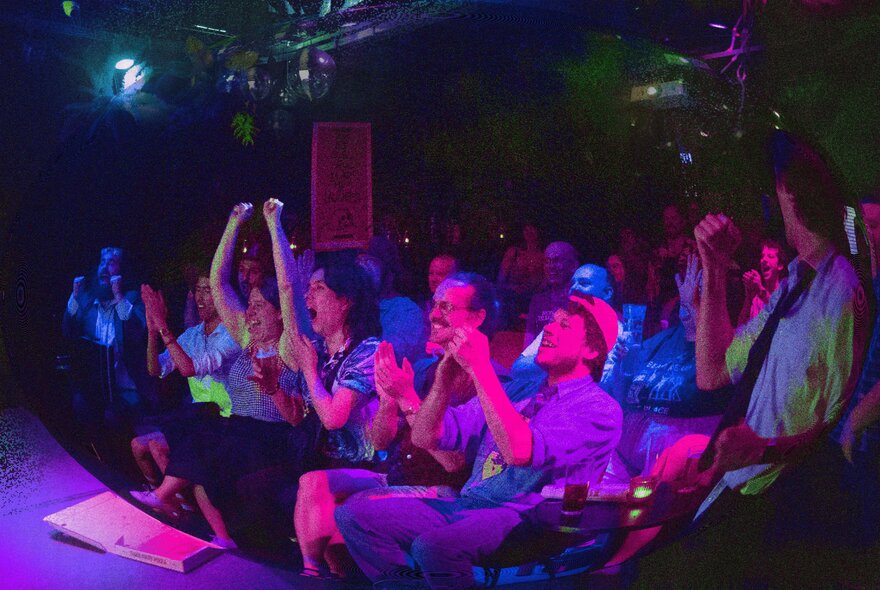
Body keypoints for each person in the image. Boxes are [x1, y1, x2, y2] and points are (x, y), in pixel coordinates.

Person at [638, 130, 866, 586]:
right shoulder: (792, 285)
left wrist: (762, 448)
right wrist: (715, 269)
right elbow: (713, 371)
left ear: (789, 192)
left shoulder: (841, 290)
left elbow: (839, 428)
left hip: (783, 505)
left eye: (771, 188)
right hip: (742, 487)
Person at [335, 295, 622, 590]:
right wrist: (444, 377)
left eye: (564, 325)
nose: (548, 328)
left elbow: (519, 451)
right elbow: (425, 436)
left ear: (591, 350)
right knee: (355, 516)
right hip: (471, 504)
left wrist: (481, 368)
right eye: (550, 320)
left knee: (434, 547)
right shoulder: (520, 388)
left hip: (528, 518)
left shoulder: (599, 409)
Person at [131, 203, 318, 550]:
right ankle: (222, 538)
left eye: (259, 307)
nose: (250, 314)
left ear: (279, 316)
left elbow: (290, 288)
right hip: (239, 428)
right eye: (250, 307)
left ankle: (164, 497)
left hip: (270, 436)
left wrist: (273, 222)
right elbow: (218, 282)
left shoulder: (290, 347)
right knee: (203, 442)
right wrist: (233, 222)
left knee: (207, 443)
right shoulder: (248, 338)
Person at [293, 272, 500, 580]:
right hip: (395, 475)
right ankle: (316, 576)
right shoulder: (428, 371)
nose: (432, 314)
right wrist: (389, 401)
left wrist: (406, 399)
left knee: (350, 511)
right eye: (434, 305)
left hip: (444, 491)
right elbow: (380, 441)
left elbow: (453, 462)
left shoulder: (487, 383)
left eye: (446, 308)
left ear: (478, 316)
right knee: (314, 483)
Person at [130, 271, 240, 489]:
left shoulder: (232, 334)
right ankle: (172, 503)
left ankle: (177, 505)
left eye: (207, 291)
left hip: (226, 419)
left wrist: (163, 327)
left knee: (157, 447)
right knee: (137, 445)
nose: (200, 297)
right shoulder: (192, 335)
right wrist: (153, 332)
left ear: (222, 295)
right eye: (198, 290)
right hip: (198, 415)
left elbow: (190, 368)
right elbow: (156, 369)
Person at [62, 247, 156, 434]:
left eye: (111, 262)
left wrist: (119, 296)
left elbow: (137, 332)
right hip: (96, 388)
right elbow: (68, 331)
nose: (104, 267)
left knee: (112, 416)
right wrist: (74, 296)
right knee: (79, 403)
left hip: (126, 389)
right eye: (102, 262)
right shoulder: (89, 302)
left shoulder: (132, 299)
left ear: (122, 270)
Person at [364, 236, 428, 364]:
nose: (367, 274)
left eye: (371, 266)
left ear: (389, 274)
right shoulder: (360, 306)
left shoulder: (406, 310)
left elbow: (391, 358)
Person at [523, 241, 579, 347]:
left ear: (573, 266)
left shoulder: (580, 301)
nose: (551, 266)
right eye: (547, 261)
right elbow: (528, 345)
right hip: (539, 360)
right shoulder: (538, 301)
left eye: (557, 260)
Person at [497, 223, 544, 325]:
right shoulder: (514, 252)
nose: (529, 232)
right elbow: (501, 279)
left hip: (534, 302)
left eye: (532, 228)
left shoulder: (544, 255)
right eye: (526, 229)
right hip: (512, 301)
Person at [737, 239, 787, 325]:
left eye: (770, 256)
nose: (763, 260)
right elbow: (741, 330)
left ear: (780, 265)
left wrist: (761, 290)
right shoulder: (757, 299)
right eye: (762, 256)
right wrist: (748, 297)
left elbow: (783, 318)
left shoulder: (785, 291)